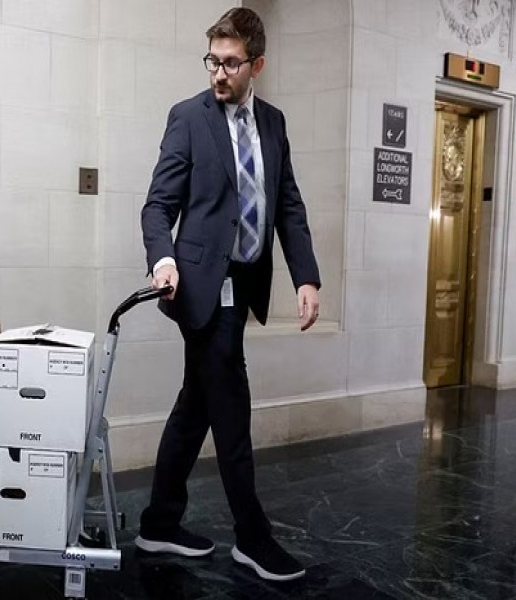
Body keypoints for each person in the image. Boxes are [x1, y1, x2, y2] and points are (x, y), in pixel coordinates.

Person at [136, 8, 320, 581]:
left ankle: (159, 523)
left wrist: (306, 276)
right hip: (197, 286)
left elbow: (286, 204)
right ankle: (252, 537)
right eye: (213, 60)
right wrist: (163, 258)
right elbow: (157, 205)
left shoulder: (274, 122)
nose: (219, 73)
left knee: (197, 404)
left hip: (243, 285)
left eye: (231, 63)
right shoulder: (188, 117)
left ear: (256, 64)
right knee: (230, 403)